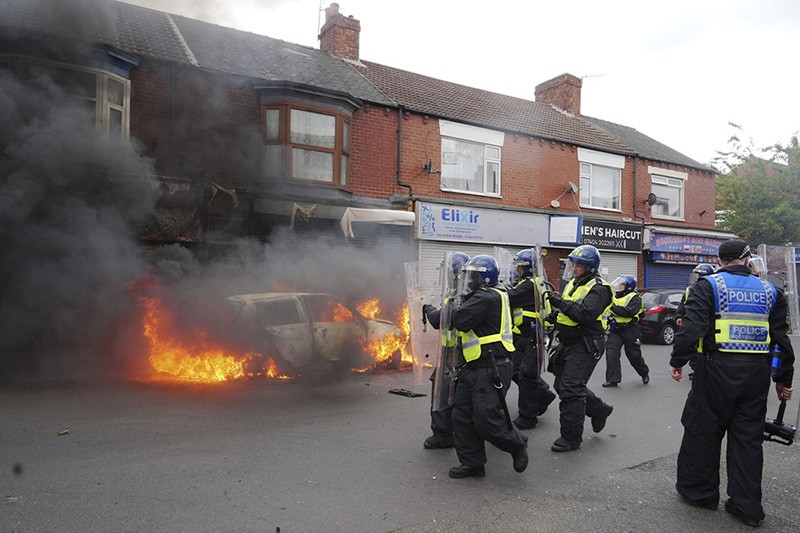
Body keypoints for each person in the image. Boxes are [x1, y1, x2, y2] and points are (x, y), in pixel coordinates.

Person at [669, 239, 795, 527]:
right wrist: (783, 379)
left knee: (703, 430)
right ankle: (747, 506)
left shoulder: (708, 286)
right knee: (748, 440)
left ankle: (700, 494)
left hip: (715, 370)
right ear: (747, 259)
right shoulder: (770, 291)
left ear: (720, 260)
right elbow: (781, 341)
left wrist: (677, 361)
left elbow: (692, 329)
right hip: (756, 374)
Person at [447, 254, 529, 478]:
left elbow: (460, 319)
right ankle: (473, 463)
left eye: (474, 275)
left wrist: (437, 313)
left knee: (486, 420)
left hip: (491, 366)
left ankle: (517, 443)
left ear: (485, 278)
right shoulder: (480, 295)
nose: (469, 279)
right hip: (473, 365)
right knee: (462, 416)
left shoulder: (488, 297)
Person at [545, 244, 614, 452]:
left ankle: (571, 438)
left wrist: (560, 303)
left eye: (579, 266)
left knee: (571, 388)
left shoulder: (599, 289)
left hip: (586, 343)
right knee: (561, 385)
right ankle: (599, 409)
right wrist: (554, 317)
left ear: (590, 268)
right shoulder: (573, 284)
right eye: (573, 265)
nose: (574, 269)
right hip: (569, 342)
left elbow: (585, 313)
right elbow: (569, 312)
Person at [421, 252, 469, 449]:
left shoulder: (460, 296)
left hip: (456, 354)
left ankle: (443, 434)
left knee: (441, 392)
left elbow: (439, 319)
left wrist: (428, 309)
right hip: (462, 353)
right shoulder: (463, 293)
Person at [506, 249, 557, 429]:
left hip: (532, 336)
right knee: (515, 372)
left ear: (528, 268)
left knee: (527, 375)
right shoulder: (527, 283)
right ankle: (543, 393)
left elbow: (508, 298)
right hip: (522, 335)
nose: (517, 270)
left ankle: (528, 417)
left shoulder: (530, 285)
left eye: (520, 267)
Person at [602, 275, 649, 387]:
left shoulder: (635, 298)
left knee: (634, 355)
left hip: (630, 329)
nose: (619, 286)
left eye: (622, 284)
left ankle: (644, 373)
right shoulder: (615, 297)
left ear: (628, 286)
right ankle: (613, 379)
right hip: (616, 330)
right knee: (611, 353)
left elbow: (629, 312)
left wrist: (613, 307)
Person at [675, 263, 715, 328]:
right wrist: (679, 316)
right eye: (695, 276)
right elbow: (682, 305)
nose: (695, 279)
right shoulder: (689, 290)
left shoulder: (713, 291)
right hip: (690, 324)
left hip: (706, 325)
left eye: (697, 277)